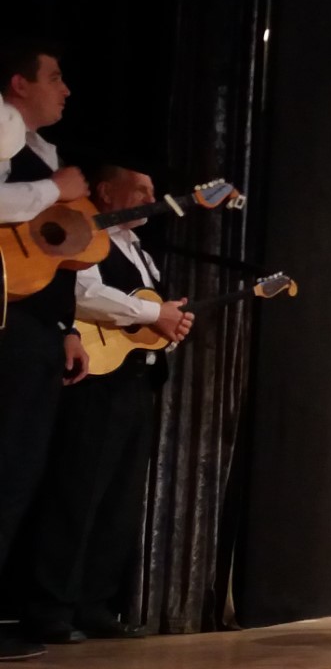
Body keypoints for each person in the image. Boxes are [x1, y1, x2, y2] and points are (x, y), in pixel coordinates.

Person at [22, 166, 195, 643]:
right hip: (96, 383)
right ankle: (49, 607)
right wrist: (154, 313)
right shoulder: (88, 234)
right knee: (77, 494)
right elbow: (84, 295)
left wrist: (169, 326)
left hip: (135, 381)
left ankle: (93, 603)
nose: (149, 197)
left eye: (152, 190)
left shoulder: (140, 251)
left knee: (119, 501)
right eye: (139, 189)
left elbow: (143, 318)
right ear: (105, 192)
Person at [0, 40, 89, 663]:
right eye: (54, 77)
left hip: (30, 324)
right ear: (19, 84)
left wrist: (64, 326)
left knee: (18, 476)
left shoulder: (36, 148)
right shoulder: (4, 126)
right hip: (10, 324)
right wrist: (51, 190)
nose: (65, 89)